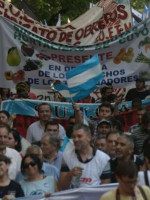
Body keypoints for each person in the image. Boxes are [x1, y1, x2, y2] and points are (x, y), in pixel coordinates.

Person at [59, 124, 111, 190]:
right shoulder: (66, 156)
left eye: (79, 136)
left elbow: (105, 187)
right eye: (74, 137)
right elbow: (61, 187)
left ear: (89, 137)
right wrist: (69, 175)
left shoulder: (104, 158)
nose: (76, 139)